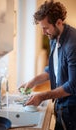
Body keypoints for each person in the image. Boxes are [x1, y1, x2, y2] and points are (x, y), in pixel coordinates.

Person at [19, 1, 76, 130]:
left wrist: (42, 95)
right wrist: (33, 81)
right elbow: (52, 70)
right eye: (42, 28)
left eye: (46, 28)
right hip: (61, 104)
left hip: (72, 109)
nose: (44, 32)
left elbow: (73, 85)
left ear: (59, 23)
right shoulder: (54, 37)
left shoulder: (72, 44)